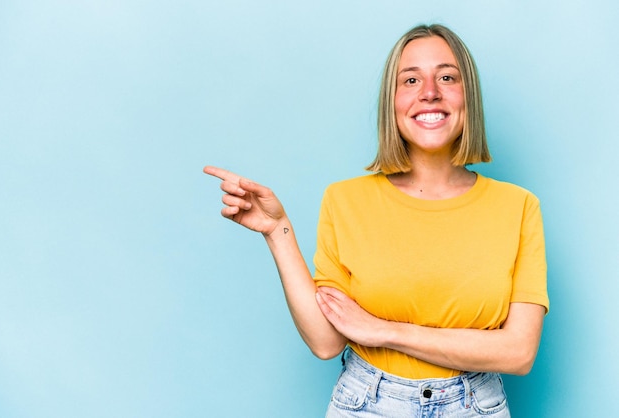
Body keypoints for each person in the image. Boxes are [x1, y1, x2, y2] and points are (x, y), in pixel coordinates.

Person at [204, 23, 548, 417]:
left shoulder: (518, 207)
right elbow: (327, 342)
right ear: (393, 101)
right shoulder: (345, 200)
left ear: (468, 96)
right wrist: (276, 232)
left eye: (447, 77)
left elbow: (519, 352)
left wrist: (384, 331)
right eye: (411, 79)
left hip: (475, 405)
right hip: (367, 403)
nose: (430, 92)